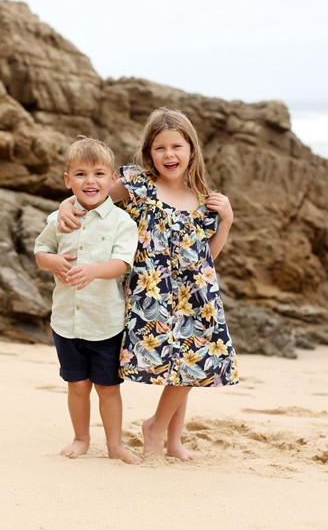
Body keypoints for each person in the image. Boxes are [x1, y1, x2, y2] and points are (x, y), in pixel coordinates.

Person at [57, 107, 238, 460]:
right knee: (178, 365)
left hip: (196, 295)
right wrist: (66, 204)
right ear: (149, 153)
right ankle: (156, 429)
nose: (169, 155)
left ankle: (171, 438)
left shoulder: (204, 200)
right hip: (151, 294)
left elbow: (206, 256)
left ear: (191, 150)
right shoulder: (139, 186)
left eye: (177, 146)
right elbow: (93, 193)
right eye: (160, 148)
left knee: (193, 362)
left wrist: (226, 221)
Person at [34, 137, 142, 465]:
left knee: (108, 388)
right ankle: (81, 438)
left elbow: (122, 263)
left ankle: (115, 445)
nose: (90, 181)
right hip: (67, 321)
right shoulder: (59, 218)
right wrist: (51, 261)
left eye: (98, 174)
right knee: (77, 385)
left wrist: (95, 270)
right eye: (81, 174)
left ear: (112, 179)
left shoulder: (122, 222)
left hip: (106, 322)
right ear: (68, 180)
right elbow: (41, 251)